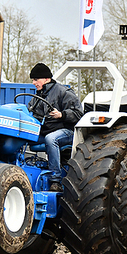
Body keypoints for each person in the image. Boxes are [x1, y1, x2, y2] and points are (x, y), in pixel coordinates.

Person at [28, 62, 83, 192]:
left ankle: (55, 180)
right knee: (22, 137)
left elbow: (79, 114)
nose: (33, 83)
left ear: (47, 79)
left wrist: (61, 114)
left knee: (51, 139)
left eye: (36, 79)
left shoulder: (63, 92)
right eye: (32, 80)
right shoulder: (37, 96)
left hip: (66, 131)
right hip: (45, 131)